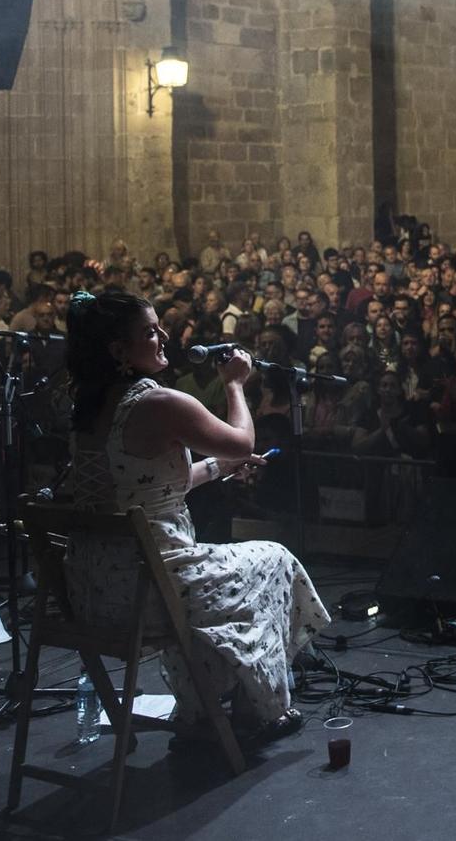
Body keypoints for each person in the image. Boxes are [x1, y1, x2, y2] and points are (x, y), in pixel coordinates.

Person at [61, 289, 330, 742]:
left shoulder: (88, 408)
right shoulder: (159, 403)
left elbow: (140, 490)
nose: (163, 335)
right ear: (118, 350)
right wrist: (234, 385)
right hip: (149, 589)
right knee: (274, 560)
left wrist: (215, 468)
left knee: (228, 573)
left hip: (91, 589)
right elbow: (242, 440)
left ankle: (205, 710)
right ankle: (256, 709)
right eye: (150, 331)